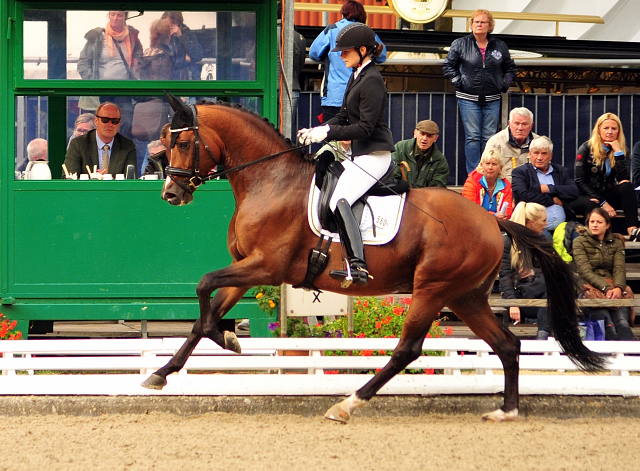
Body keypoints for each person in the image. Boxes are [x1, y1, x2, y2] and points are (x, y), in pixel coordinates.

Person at [297, 23, 395, 287]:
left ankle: (358, 266)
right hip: (360, 154)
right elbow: (343, 115)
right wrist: (320, 129)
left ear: (363, 50)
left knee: (339, 199)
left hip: (374, 154)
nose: (340, 56)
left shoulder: (372, 80)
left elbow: (365, 127)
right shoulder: (357, 75)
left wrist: (327, 135)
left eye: (345, 51)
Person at [442, 9, 517, 175]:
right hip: (468, 97)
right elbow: (448, 65)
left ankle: (490, 173)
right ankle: (475, 174)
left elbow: (510, 68)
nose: (479, 25)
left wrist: (504, 84)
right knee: (473, 137)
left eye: (483, 22)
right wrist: (458, 82)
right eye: (476, 22)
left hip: (493, 97)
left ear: (490, 25)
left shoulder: (499, 46)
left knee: (490, 138)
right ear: (471, 24)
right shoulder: (460, 44)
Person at [308, 1, 387, 123]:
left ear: (342, 14)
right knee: (358, 137)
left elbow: (313, 52)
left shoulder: (332, 29)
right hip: (360, 97)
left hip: (335, 97)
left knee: (332, 138)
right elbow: (382, 55)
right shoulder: (366, 32)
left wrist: (327, 56)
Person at [570, 112, 640, 240]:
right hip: (585, 195)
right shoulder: (586, 148)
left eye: (614, 128)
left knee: (627, 187)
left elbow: (623, 179)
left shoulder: (621, 149)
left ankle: (633, 230)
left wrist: (618, 153)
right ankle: (607, 239)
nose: (610, 132)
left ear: (619, 131)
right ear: (599, 130)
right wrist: (603, 203)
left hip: (606, 194)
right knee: (593, 204)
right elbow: (579, 181)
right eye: (606, 128)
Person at [77, 11, 143, 140]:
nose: (115, 18)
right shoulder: (97, 37)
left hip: (123, 89)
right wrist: (92, 82)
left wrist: (136, 62)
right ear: (109, 16)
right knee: (98, 127)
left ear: (125, 17)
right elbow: (83, 63)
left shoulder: (132, 36)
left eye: (119, 15)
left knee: (127, 125)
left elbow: (138, 53)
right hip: (100, 90)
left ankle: (122, 156)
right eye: (113, 15)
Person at [572, 207, 634, 340]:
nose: (594, 225)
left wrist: (618, 288)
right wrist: (606, 288)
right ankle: (609, 357)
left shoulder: (617, 243)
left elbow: (619, 268)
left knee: (623, 323)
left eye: (599, 222)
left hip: (614, 289)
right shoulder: (579, 242)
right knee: (608, 324)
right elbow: (585, 271)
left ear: (607, 225)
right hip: (589, 289)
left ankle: (630, 357)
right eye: (592, 221)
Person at [499, 202, 550, 340]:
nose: (546, 224)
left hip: (542, 293)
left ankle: (542, 339)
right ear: (531, 223)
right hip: (520, 295)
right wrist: (513, 304)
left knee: (551, 293)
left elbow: (550, 270)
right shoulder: (507, 242)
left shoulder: (542, 241)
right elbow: (505, 277)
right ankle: (542, 340)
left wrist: (533, 273)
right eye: (543, 220)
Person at [512, 136, 579, 234]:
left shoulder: (560, 171)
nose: (539, 157)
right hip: (536, 228)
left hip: (564, 225)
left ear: (550, 156)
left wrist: (549, 188)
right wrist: (552, 200)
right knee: (547, 244)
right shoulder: (521, 172)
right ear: (530, 154)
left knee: (579, 238)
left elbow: (574, 191)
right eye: (536, 153)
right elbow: (523, 196)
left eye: (544, 154)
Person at [63, 102, 137, 178]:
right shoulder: (79, 144)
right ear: (96, 121)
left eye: (114, 121)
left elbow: (130, 180)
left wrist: (107, 180)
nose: (109, 124)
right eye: (105, 120)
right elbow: (69, 177)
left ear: (119, 123)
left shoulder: (127, 146)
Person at [484, 107, 537, 181]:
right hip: (503, 190)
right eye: (516, 123)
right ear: (509, 123)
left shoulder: (538, 143)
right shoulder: (495, 142)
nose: (520, 128)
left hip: (530, 190)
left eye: (524, 124)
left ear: (531, 125)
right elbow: (485, 171)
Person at [391, 120, 449, 188]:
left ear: (435, 138)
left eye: (429, 136)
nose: (424, 138)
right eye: (422, 134)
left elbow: (437, 188)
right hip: (400, 195)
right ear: (415, 133)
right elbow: (392, 177)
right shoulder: (400, 148)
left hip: (424, 198)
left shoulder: (440, 161)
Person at [462, 148, 512, 219]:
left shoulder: (506, 185)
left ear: (500, 168)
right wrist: (493, 215)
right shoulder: (472, 181)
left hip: (499, 225)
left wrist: (504, 215)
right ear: (481, 165)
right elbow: (470, 209)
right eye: (487, 163)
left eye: (494, 164)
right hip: (474, 222)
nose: (490, 167)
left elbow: (508, 210)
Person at [160, 11, 204, 80]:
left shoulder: (187, 33)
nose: (171, 27)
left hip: (188, 78)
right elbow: (164, 61)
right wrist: (185, 60)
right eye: (168, 24)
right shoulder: (160, 35)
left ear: (179, 24)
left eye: (173, 24)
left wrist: (181, 36)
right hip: (169, 79)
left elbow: (198, 55)